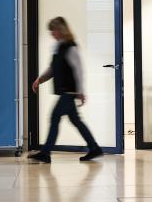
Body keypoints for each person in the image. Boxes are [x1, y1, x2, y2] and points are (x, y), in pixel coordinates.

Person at [28, 17, 103, 163]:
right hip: (65, 91)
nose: (52, 34)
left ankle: (46, 152)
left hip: (69, 91)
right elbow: (53, 69)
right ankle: (94, 149)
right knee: (76, 120)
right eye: (51, 31)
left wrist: (81, 91)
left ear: (61, 30)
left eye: (53, 30)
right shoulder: (58, 47)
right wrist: (40, 79)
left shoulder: (71, 46)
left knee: (54, 117)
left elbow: (78, 70)